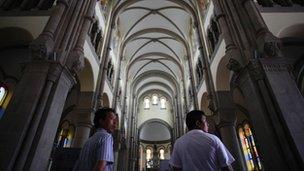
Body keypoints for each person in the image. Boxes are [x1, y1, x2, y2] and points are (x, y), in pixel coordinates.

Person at [169, 110, 235, 171]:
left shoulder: (179, 143)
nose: (208, 124)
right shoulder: (213, 139)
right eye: (205, 121)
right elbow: (226, 167)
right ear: (198, 123)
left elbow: (176, 168)